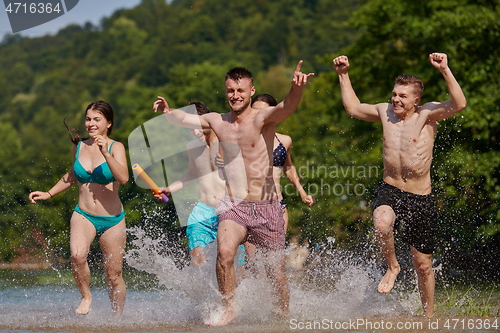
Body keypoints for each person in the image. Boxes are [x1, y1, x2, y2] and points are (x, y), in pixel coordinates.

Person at [153, 61, 313, 325]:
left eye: (240, 90)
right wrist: (169, 111)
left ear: (252, 91)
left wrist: (296, 89)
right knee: (225, 252)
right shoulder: (218, 120)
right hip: (233, 205)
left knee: (277, 274)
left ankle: (283, 319)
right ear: (225, 91)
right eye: (230, 90)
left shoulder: (262, 118)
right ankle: (230, 308)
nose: (235, 95)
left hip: (266, 207)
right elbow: (187, 118)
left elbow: (288, 106)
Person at [333, 53, 466, 317]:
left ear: (416, 100)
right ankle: (393, 267)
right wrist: (343, 74)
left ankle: (428, 317)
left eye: (402, 96)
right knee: (381, 222)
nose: (396, 99)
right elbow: (354, 108)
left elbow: (459, 104)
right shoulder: (385, 112)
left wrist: (445, 69)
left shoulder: (427, 114)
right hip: (391, 189)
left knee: (423, 264)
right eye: (394, 94)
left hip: (420, 197)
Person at [28, 101, 129, 316]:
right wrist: (48, 193)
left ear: (108, 124)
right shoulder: (79, 146)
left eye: (96, 119)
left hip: (113, 219)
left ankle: (118, 320)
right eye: (88, 119)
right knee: (77, 255)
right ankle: (86, 296)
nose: (90, 124)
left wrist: (106, 153)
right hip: (84, 215)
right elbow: (73, 175)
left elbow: (124, 177)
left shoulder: (115, 147)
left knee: (114, 275)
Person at [153, 101, 245, 267]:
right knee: (197, 261)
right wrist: (169, 189)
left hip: (229, 211)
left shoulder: (227, 142)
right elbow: (192, 174)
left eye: (198, 126)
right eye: (191, 128)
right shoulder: (192, 147)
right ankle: (202, 294)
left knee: (235, 264)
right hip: (202, 212)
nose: (196, 132)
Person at [240, 93, 316, 271]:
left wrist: (302, 192)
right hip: (250, 207)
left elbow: (288, 168)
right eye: (255, 111)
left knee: (274, 264)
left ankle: (275, 299)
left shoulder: (285, 140)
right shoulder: (242, 139)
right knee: (253, 264)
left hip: (277, 206)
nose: (260, 116)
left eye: (265, 112)